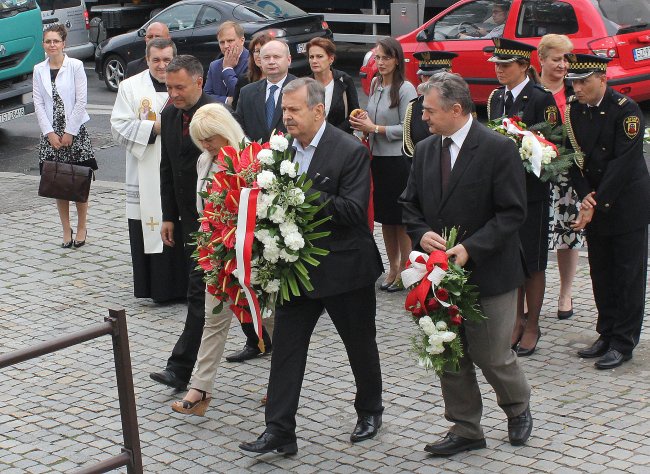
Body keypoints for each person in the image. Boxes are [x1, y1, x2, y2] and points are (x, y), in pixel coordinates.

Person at [239, 78, 384, 455]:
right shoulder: (280, 149)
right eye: (284, 110)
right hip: (296, 268)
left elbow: (354, 212)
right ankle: (279, 430)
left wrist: (297, 192)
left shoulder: (349, 150)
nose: (286, 117)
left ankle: (370, 409)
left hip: (345, 268)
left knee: (359, 345)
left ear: (318, 111)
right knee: (286, 347)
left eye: (294, 110)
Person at [400, 72, 532, 456]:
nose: (422, 117)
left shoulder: (496, 149)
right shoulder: (426, 149)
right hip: (436, 274)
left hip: (488, 270)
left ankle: (518, 405)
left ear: (456, 109)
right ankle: (466, 427)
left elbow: (512, 213)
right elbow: (409, 203)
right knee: (448, 351)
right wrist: (421, 232)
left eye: (429, 110)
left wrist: (471, 248)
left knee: (491, 353)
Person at [171, 103, 276, 414]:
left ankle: (281, 383)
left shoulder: (251, 159)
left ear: (225, 130)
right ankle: (200, 389)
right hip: (217, 253)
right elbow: (203, 210)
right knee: (214, 321)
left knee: (270, 321)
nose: (205, 145)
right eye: (200, 139)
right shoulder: (205, 161)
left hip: (250, 253)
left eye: (210, 138)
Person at [567, 54, 649, 370]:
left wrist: (595, 203)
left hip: (625, 203)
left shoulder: (625, 110)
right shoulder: (574, 109)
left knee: (627, 274)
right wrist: (584, 195)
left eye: (583, 81)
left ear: (602, 79)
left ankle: (623, 342)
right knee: (601, 272)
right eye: (574, 81)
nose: (577, 87)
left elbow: (623, 163)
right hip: (595, 202)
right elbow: (572, 156)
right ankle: (606, 332)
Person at [486, 38, 559, 357]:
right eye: (497, 65)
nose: (499, 70)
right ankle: (516, 320)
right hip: (504, 193)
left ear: (523, 66)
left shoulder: (540, 98)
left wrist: (531, 153)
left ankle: (532, 325)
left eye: (505, 65)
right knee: (512, 258)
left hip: (531, 193)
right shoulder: (497, 97)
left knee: (533, 261)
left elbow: (556, 145)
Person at [149, 56, 214, 391]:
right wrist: (169, 216)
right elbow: (167, 169)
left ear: (199, 82)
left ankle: (180, 367)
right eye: (168, 86)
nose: (172, 93)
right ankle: (182, 368)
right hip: (189, 221)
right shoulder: (169, 114)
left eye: (179, 87)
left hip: (219, 221)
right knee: (204, 291)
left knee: (203, 292)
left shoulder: (217, 113)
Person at [110, 38, 188, 303]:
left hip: (181, 168)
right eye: (156, 60)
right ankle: (160, 290)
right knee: (152, 225)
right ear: (147, 59)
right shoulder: (130, 87)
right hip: (146, 168)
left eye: (167, 60)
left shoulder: (185, 83)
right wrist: (155, 128)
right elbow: (118, 126)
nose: (162, 65)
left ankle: (189, 288)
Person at [349, 37, 417, 293]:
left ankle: (406, 270)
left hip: (398, 160)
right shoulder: (376, 84)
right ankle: (392, 266)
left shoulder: (405, 88)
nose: (381, 63)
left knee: (401, 219)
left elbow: (407, 127)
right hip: (377, 159)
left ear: (397, 59)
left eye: (386, 58)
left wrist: (375, 128)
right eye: (377, 58)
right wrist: (363, 121)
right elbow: (372, 116)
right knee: (386, 220)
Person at [33, 24, 97, 248]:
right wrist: (49, 133)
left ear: (63, 43)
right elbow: (38, 103)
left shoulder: (75, 66)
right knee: (58, 183)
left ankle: (81, 227)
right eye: (48, 41)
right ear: (44, 44)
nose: (52, 45)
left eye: (56, 41)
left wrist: (70, 131)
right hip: (51, 133)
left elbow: (81, 101)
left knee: (78, 181)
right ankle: (65, 228)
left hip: (75, 131)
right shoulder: (38, 69)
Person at [538, 34, 583, 320]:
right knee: (536, 235)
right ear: (540, 59)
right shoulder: (530, 90)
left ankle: (565, 293)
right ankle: (531, 296)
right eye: (556, 59)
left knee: (569, 234)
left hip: (569, 176)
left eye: (566, 59)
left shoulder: (575, 92)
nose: (563, 65)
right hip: (537, 175)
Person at [234, 39, 296, 143]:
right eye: (266, 58)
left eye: (276, 57)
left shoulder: (302, 90)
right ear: (260, 61)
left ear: (289, 60)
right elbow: (238, 129)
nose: (271, 62)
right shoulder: (247, 93)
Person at [403, 50, 458, 158]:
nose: (428, 81)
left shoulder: (459, 104)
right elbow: (408, 148)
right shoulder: (414, 107)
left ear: (449, 75)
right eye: (424, 76)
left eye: (433, 77)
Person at [306, 37, 359, 133]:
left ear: (331, 59)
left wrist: (334, 134)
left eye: (319, 56)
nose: (314, 61)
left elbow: (354, 113)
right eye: (311, 57)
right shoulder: (305, 84)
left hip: (340, 140)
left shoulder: (344, 80)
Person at [203, 21, 249, 105]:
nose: (226, 46)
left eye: (230, 41)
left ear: (242, 41)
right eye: (222, 42)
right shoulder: (214, 65)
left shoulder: (252, 62)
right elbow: (205, 96)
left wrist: (228, 68)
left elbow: (242, 95)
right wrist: (227, 100)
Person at [231, 32, 273, 110]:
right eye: (257, 51)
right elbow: (236, 110)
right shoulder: (244, 80)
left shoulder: (283, 79)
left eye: (264, 50)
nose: (260, 55)